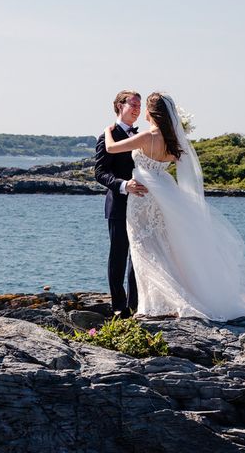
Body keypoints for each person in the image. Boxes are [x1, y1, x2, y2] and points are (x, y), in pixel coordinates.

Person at [104, 92, 245, 320]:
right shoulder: (173, 142)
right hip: (164, 190)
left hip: (143, 196)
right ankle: (155, 301)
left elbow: (111, 148)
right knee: (162, 247)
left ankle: (153, 303)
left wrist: (108, 131)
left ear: (151, 113)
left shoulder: (147, 137)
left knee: (144, 247)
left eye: (144, 106)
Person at [95, 90, 148, 318]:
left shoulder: (141, 136)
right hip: (118, 203)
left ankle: (135, 305)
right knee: (118, 255)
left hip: (140, 205)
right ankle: (119, 306)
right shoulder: (108, 135)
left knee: (138, 254)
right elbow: (100, 172)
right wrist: (124, 185)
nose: (137, 109)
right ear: (119, 106)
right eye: (133, 104)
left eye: (139, 105)